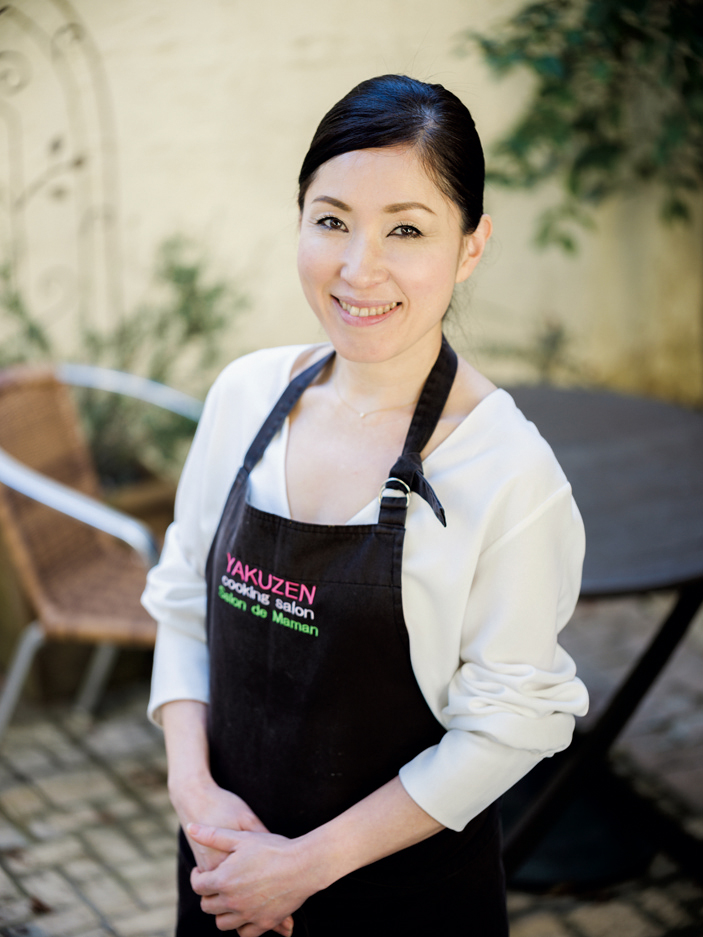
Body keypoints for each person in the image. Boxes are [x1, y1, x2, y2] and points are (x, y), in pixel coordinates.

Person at [143, 74, 588, 937]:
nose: (358, 268)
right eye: (331, 220)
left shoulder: (507, 471)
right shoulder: (244, 396)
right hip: (222, 872)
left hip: (403, 905)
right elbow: (182, 601)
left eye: (406, 230)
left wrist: (302, 867)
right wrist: (194, 795)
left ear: (470, 246)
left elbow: (508, 725)